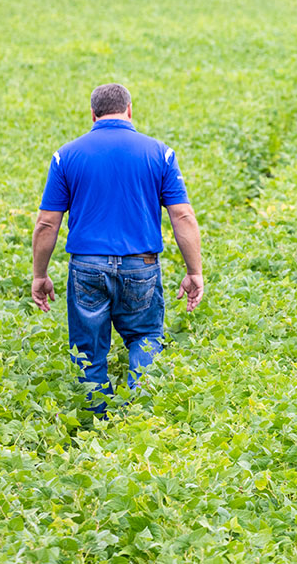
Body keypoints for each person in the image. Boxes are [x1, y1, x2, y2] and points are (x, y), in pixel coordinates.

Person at [30, 83, 205, 414]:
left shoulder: (65, 155)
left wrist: (40, 274)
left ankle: (97, 424)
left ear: (92, 114)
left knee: (88, 352)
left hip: (87, 267)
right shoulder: (160, 153)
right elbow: (182, 215)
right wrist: (193, 271)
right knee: (145, 337)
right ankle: (143, 417)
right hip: (141, 265)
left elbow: (46, 224)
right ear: (129, 110)